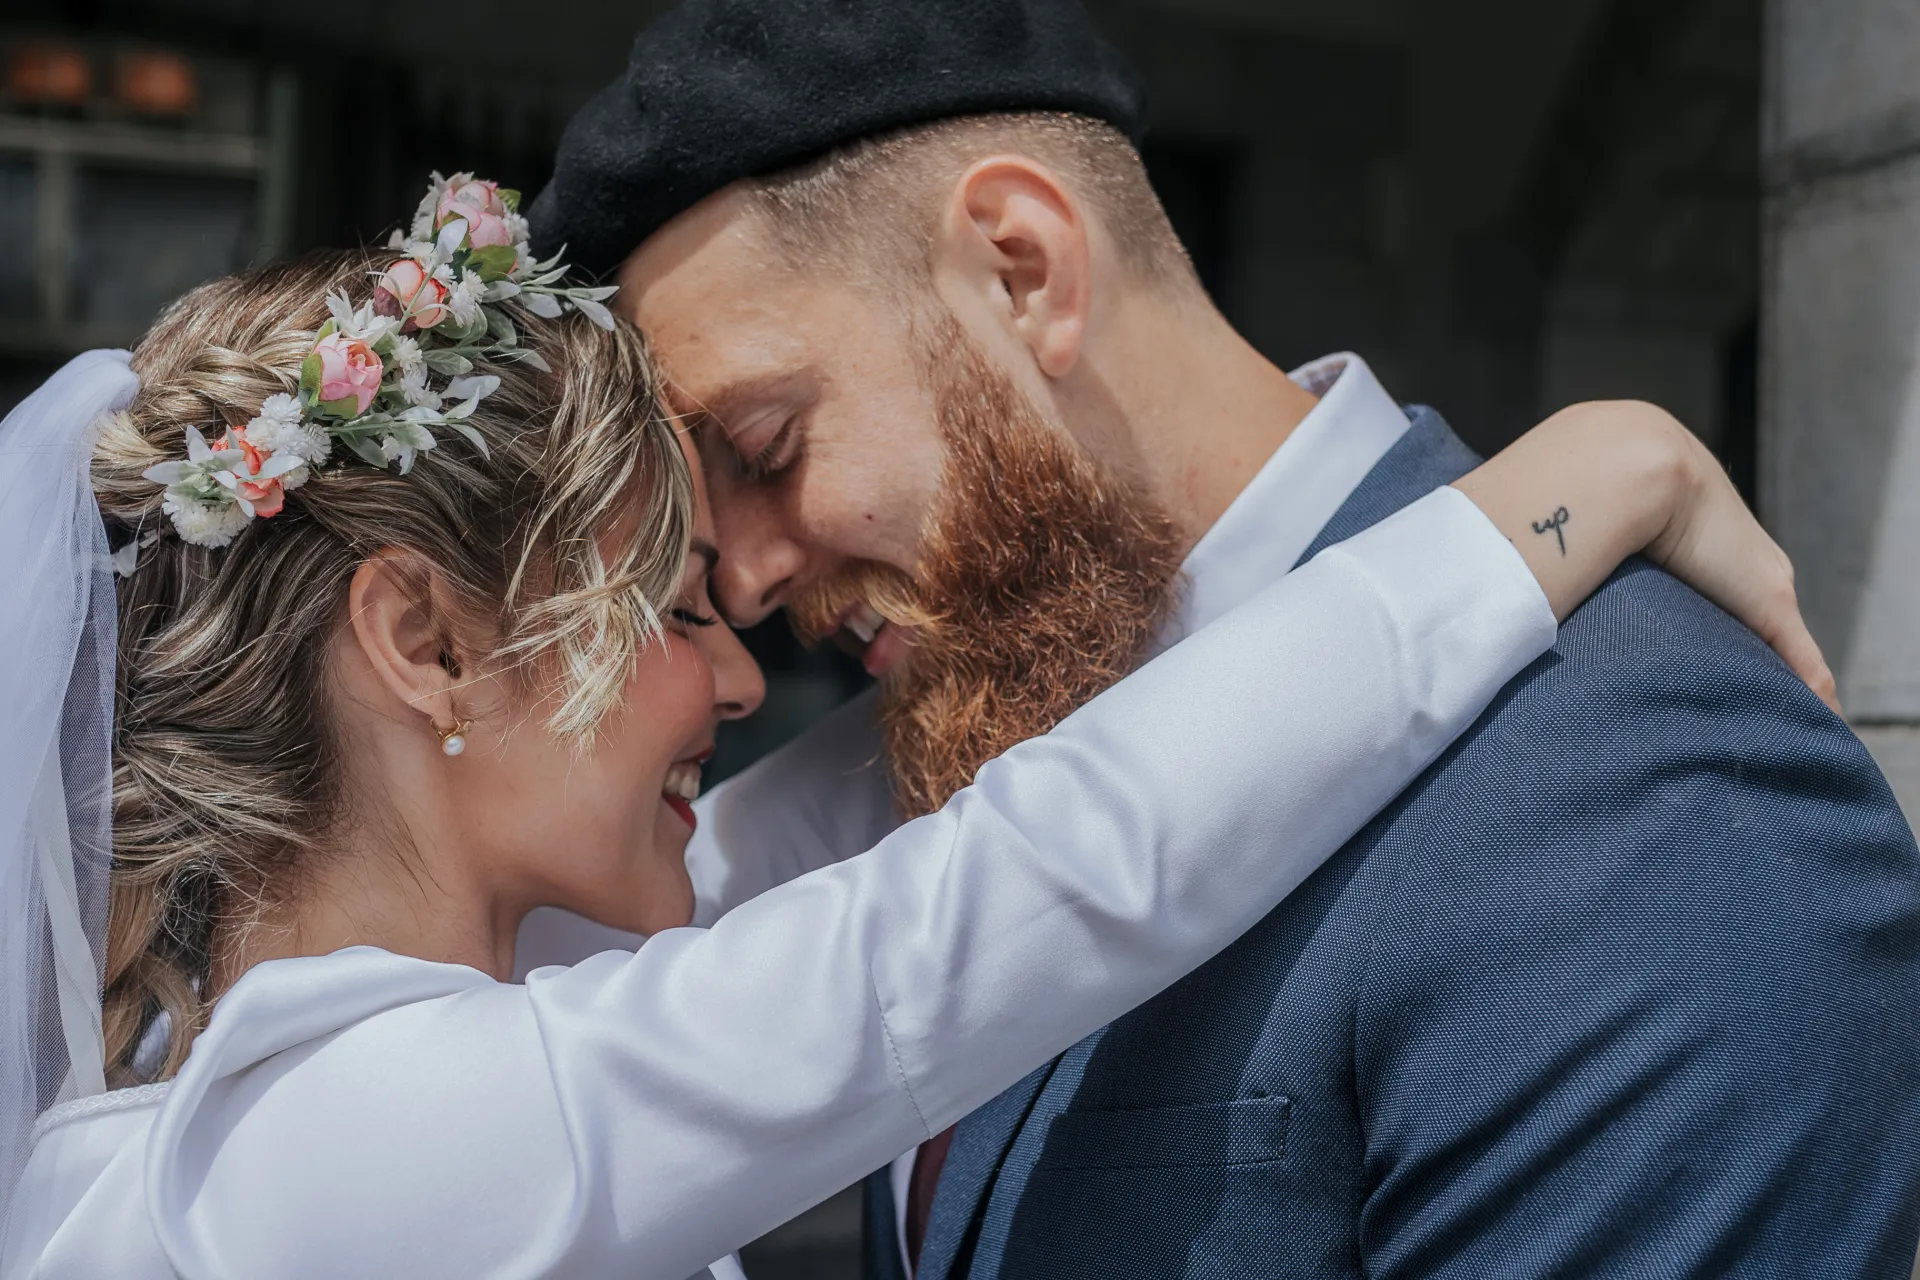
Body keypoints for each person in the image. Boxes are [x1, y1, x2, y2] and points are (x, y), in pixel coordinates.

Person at [0, 174, 1819, 1280]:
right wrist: (1578, 487)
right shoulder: (353, 1149)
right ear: (422, 641)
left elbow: (844, 830)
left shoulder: (295, 1085)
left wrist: (1022, 618)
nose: (740, 676)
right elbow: (1029, 880)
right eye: (672, 608)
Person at [526, 0, 1920, 1274]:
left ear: (1022, 271)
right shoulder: (969, 723)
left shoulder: (1640, 788)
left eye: (769, 446)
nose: (745, 582)